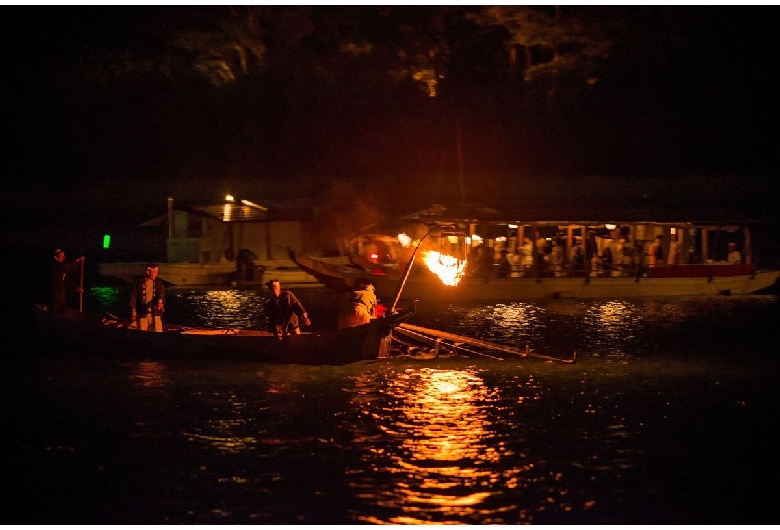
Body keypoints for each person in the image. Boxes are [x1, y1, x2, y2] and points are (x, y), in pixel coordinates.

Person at [129, 262, 166, 331]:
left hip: (155, 313)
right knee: (143, 333)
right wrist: (133, 311)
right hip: (142, 313)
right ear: (148, 272)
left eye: (157, 272)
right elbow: (134, 297)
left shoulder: (158, 282)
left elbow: (160, 293)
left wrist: (160, 302)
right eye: (154, 272)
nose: (156, 274)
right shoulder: (139, 283)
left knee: (158, 333)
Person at [50, 248, 84, 315]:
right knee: (54, 311)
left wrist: (77, 288)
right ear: (56, 257)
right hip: (55, 296)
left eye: (63, 254)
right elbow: (66, 267)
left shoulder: (63, 270)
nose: (63, 256)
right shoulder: (56, 266)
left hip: (61, 296)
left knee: (61, 310)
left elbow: (67, 282)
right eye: (61, 254)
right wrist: (77, 260)